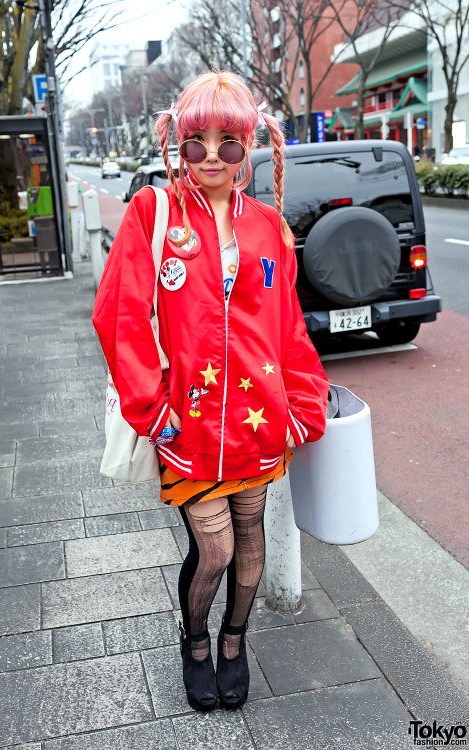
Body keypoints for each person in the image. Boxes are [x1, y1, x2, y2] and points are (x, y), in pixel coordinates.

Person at [92, 70, 329, 713]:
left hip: (258, 421)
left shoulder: (269, 227)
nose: (214, 157)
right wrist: (153, 411)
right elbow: (118, 316)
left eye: (230, 142)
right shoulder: (154, 211)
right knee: (216, 547)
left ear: (249, 146)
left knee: (250, 543)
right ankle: (195, 640)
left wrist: (305, 404)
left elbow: (289, 328)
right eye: (199, 141)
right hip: (187, 425)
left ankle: (234, 641)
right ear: (181, 142)